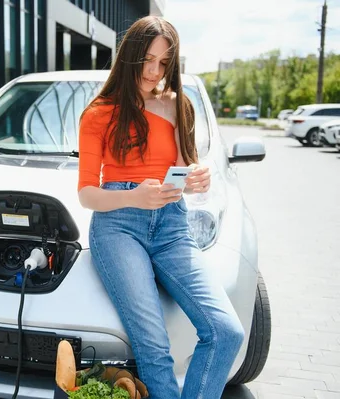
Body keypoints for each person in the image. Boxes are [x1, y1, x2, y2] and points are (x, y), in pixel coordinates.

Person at [77, 16, 245, 399]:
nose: (154, 72)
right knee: (153, 346)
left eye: (164, 63)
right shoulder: (98, 113)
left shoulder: (177, 105)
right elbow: (87, 193)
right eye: (147, 61)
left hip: (172, 225)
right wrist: (134, 195)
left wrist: (196, 178)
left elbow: (184, 166)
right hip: (118, 226)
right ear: (129, 57)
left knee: (226, 331)